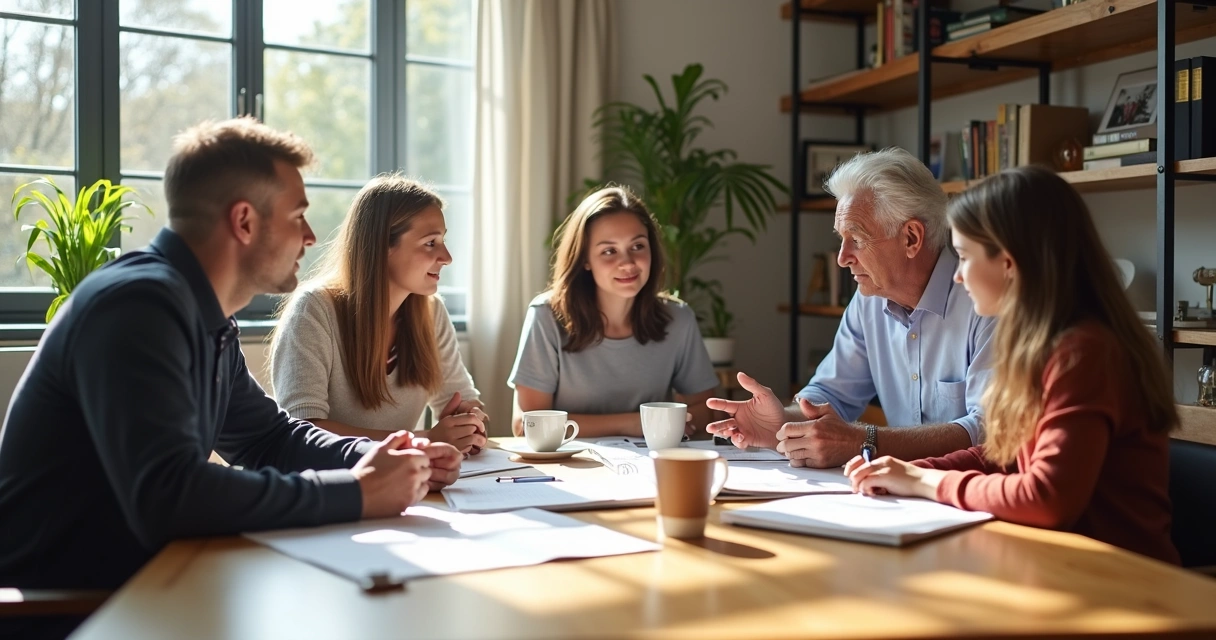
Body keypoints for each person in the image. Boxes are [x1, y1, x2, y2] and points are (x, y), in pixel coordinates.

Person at [0, 118, 462, 630]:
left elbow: (267, 437)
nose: (311, 237)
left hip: (155, 583)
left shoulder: (203, 313)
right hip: (74, 609)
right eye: (298, 216)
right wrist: (356, 492)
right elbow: (170, 495)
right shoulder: (138, 307)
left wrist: (382, 456)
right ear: (244, 222)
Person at [846, 166, 1179, 564]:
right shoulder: (1042, 345)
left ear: (1008, 262)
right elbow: (1003, 453)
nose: (956, 276)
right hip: (1058, 567)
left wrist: (924, 480)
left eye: (965, 256)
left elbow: (1046, 498)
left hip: (1126, 587)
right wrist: (907, 468)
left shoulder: (1085, 354)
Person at [708, 148, 994, 468]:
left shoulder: (985, 299)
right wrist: (780, 423)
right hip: (898, 489)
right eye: (841, 240)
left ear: (912, 238)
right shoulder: (867, 300)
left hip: (968, 492)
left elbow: (989, 430)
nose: (842, 258)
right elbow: (832, 394)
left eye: (856, 239)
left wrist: (866, 442)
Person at [269, 175, 488, 456]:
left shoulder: (431, 311)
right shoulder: (313, 311)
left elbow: (463, 399)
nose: (446, 256)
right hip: (324, 489)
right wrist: (423, 439)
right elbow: (303, 430)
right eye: (430, 243)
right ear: (382, 246)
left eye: (442, 240)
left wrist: (471, 420)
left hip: (397, 485)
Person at [509, 186, 719, 439]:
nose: (628, 262)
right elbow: (526, 425)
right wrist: (633, 424)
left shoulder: (678, 319)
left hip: (652, 465)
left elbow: (708, 412)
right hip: (570, 469)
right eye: (609, 251)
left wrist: (659, 426)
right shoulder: (546, 316)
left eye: (638, 246)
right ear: (585, 259)